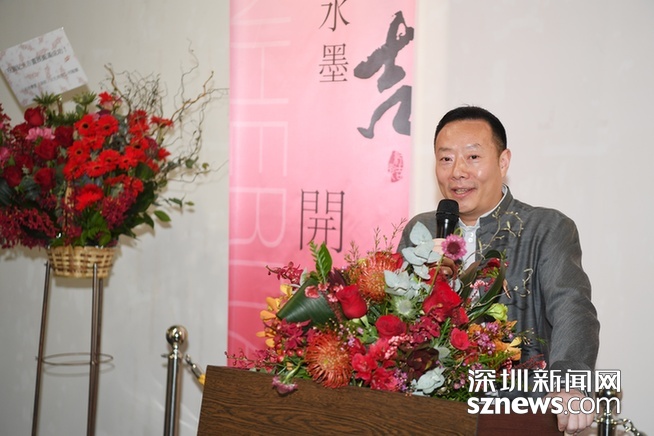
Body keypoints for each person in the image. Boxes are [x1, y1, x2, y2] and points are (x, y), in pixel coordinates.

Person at [398, 106, 600, 435]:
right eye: (446, 159)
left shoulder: (545, 228)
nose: (457, 172)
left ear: (503, 162)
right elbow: (395, 319)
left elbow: (572, 309)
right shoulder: (421, 230)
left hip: (517, 413)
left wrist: (570, 386)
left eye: (473, 157)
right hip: (428, 414)